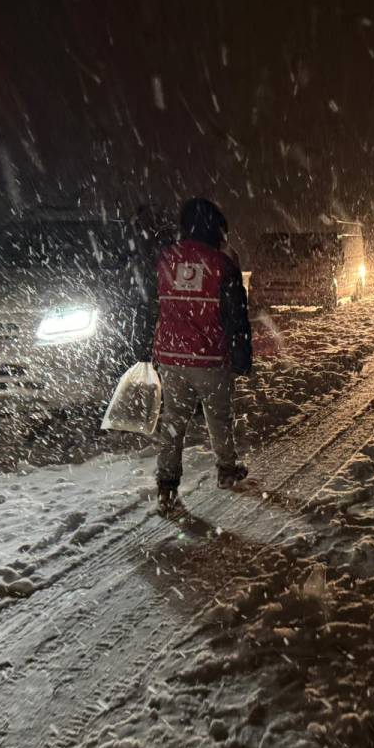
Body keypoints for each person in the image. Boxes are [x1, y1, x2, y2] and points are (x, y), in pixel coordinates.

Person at [133, 197, 252, 512]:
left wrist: (146, 347)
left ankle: (167, 486)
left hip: (171, 356)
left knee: (174, 421)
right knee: (218, 418)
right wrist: (241, 356)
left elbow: (148, 305)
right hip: (209, 358)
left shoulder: (164, 260)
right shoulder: (221, 264)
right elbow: (235, 315)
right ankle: (226, 469)